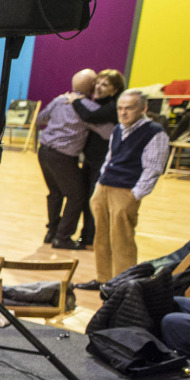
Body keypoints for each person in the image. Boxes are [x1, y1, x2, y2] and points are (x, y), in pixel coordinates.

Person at [77, 90, 171, 288]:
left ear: (143, 109)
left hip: (126, 190)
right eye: (120, 108)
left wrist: (134, 195)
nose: (123, 113)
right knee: (101, 236)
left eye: (129, 108)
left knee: (122, 239)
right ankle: (104, 279)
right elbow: (110, 157)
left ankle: (123, 284)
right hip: (104, 187)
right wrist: (100, 182)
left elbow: (153, 169)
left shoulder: (155, 132)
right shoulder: (118, 129)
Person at [36, 69, 98, 249]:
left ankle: (52, 232)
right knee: (77, 196)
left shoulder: (59, 100)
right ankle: (62, 237)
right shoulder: (90, 108)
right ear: (92, 87)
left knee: (55, 193)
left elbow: (40, 119)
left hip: (44, 152)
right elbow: (107, 132)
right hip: (63, 156)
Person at [74, 68, 125, 246]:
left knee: (95, 201)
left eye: (105, 84)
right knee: (88, 198)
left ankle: (91, 237)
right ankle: (88, 235)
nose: (99, 87)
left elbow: (90, 116)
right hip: (91, 159)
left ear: (115, 90)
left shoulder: (114, 106)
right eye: (98, 83)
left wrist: (75, 100)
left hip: (103, 162)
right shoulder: (102, 103)